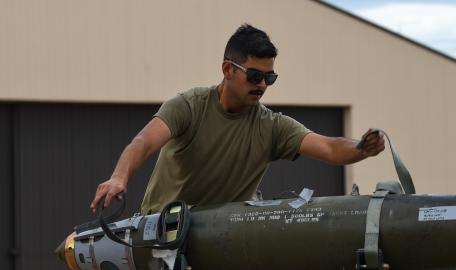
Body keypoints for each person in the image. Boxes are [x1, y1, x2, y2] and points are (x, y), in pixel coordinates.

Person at [90, 24, 385, 214]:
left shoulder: (271, 126)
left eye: (269, 77)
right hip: (165, 235)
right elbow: (143, 142)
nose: (261, 85)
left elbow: (330, 147)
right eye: (254, 75)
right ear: (227, 69)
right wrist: (119, 177)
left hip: (226, 239)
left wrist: (361, 148)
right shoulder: (189, 107)